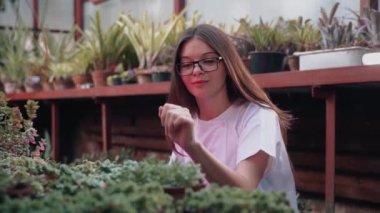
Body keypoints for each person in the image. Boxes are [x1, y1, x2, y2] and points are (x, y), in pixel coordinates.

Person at [158, 24, 298, 210]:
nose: (196, 70)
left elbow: (244, 192)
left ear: (227, 65)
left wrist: (192, 145)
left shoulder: (258, 116)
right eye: (186, 64)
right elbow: (171, 189)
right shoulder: (188, 121)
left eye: (208, 61)